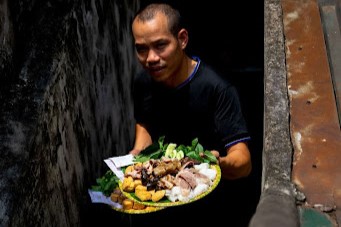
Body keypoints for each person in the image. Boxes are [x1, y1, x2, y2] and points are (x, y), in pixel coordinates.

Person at [127, 3, 254, 226]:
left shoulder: (217, 89)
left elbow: (244, 163)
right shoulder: (143, 82)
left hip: (214, 210)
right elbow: (144, 124)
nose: (151, 58)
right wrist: (137, 154)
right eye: (141, 49)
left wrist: (217, 161)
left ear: (182, 39)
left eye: (160, 45)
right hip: (164, 202)